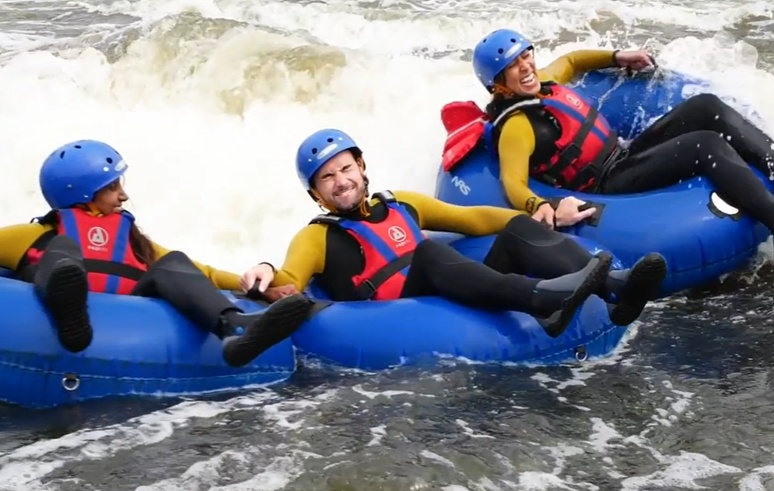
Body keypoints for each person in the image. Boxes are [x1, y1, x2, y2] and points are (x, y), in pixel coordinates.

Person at [0, 139, 312, 367]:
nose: (124, 194)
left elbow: (198, 271)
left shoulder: (132, 239)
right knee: (62, 252)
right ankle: (70, 311)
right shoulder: (35, 235)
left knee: (172, 263)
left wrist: (261, 285)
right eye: (114, 185)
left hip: (129, 310)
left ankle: (236, 329)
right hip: (70, 318)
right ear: (82, 192)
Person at [237, 129, 668, 336]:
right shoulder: (315, 237)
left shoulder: (402, 203)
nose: (341, 181)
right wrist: (265, 269)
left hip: (456, 290)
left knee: (515, 227)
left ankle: (614, 287)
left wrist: (545, 209)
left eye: (346, 168)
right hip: (405, 318)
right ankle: (543, 300)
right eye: (327, 178)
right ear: (316, 195)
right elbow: (291, 282)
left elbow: (473, 219)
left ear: (362, 166)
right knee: (428, 255)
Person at [457, 28, 774, 230]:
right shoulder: (517, 126)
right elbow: (513, 183)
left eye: (526, 56)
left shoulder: (544, 82)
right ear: (497, 84)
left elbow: (570, 60)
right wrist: (540, 205)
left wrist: (617, 56)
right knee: (705, 144)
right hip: (606, 183)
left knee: (705, 105)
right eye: (513, 66)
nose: (526, 67)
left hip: (622, 153)